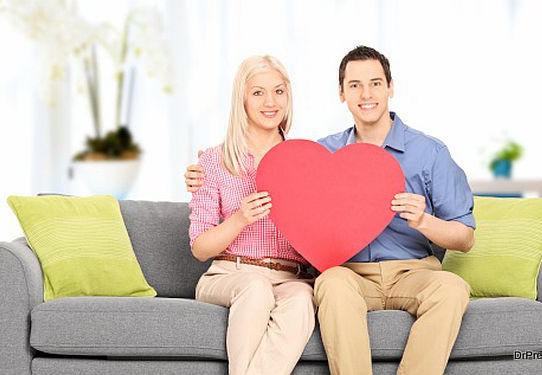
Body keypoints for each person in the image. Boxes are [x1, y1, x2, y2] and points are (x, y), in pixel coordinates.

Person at [186, 46, 475, 375]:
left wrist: (424, 221)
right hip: (345, 274)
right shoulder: (320, 154)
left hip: (410, 272)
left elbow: (465, 237)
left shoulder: (429, 152)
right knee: (328, 284)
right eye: (354, 85)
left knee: (451, 287)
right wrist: (201, 171)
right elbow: (278, 170)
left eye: (376, 83)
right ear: (342, 93)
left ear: (391, 87)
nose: (366, 94)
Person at [188, 55, 315, 375]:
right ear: (242, 99)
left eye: (279, 91)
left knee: (302, 298)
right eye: (258, 92)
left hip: (290, 277)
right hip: (228, 275)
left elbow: (319, 237)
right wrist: (240, 218)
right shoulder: (214, 162)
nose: (270, 102)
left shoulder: (305, 161)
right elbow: (200, 248)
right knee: (256, 287)